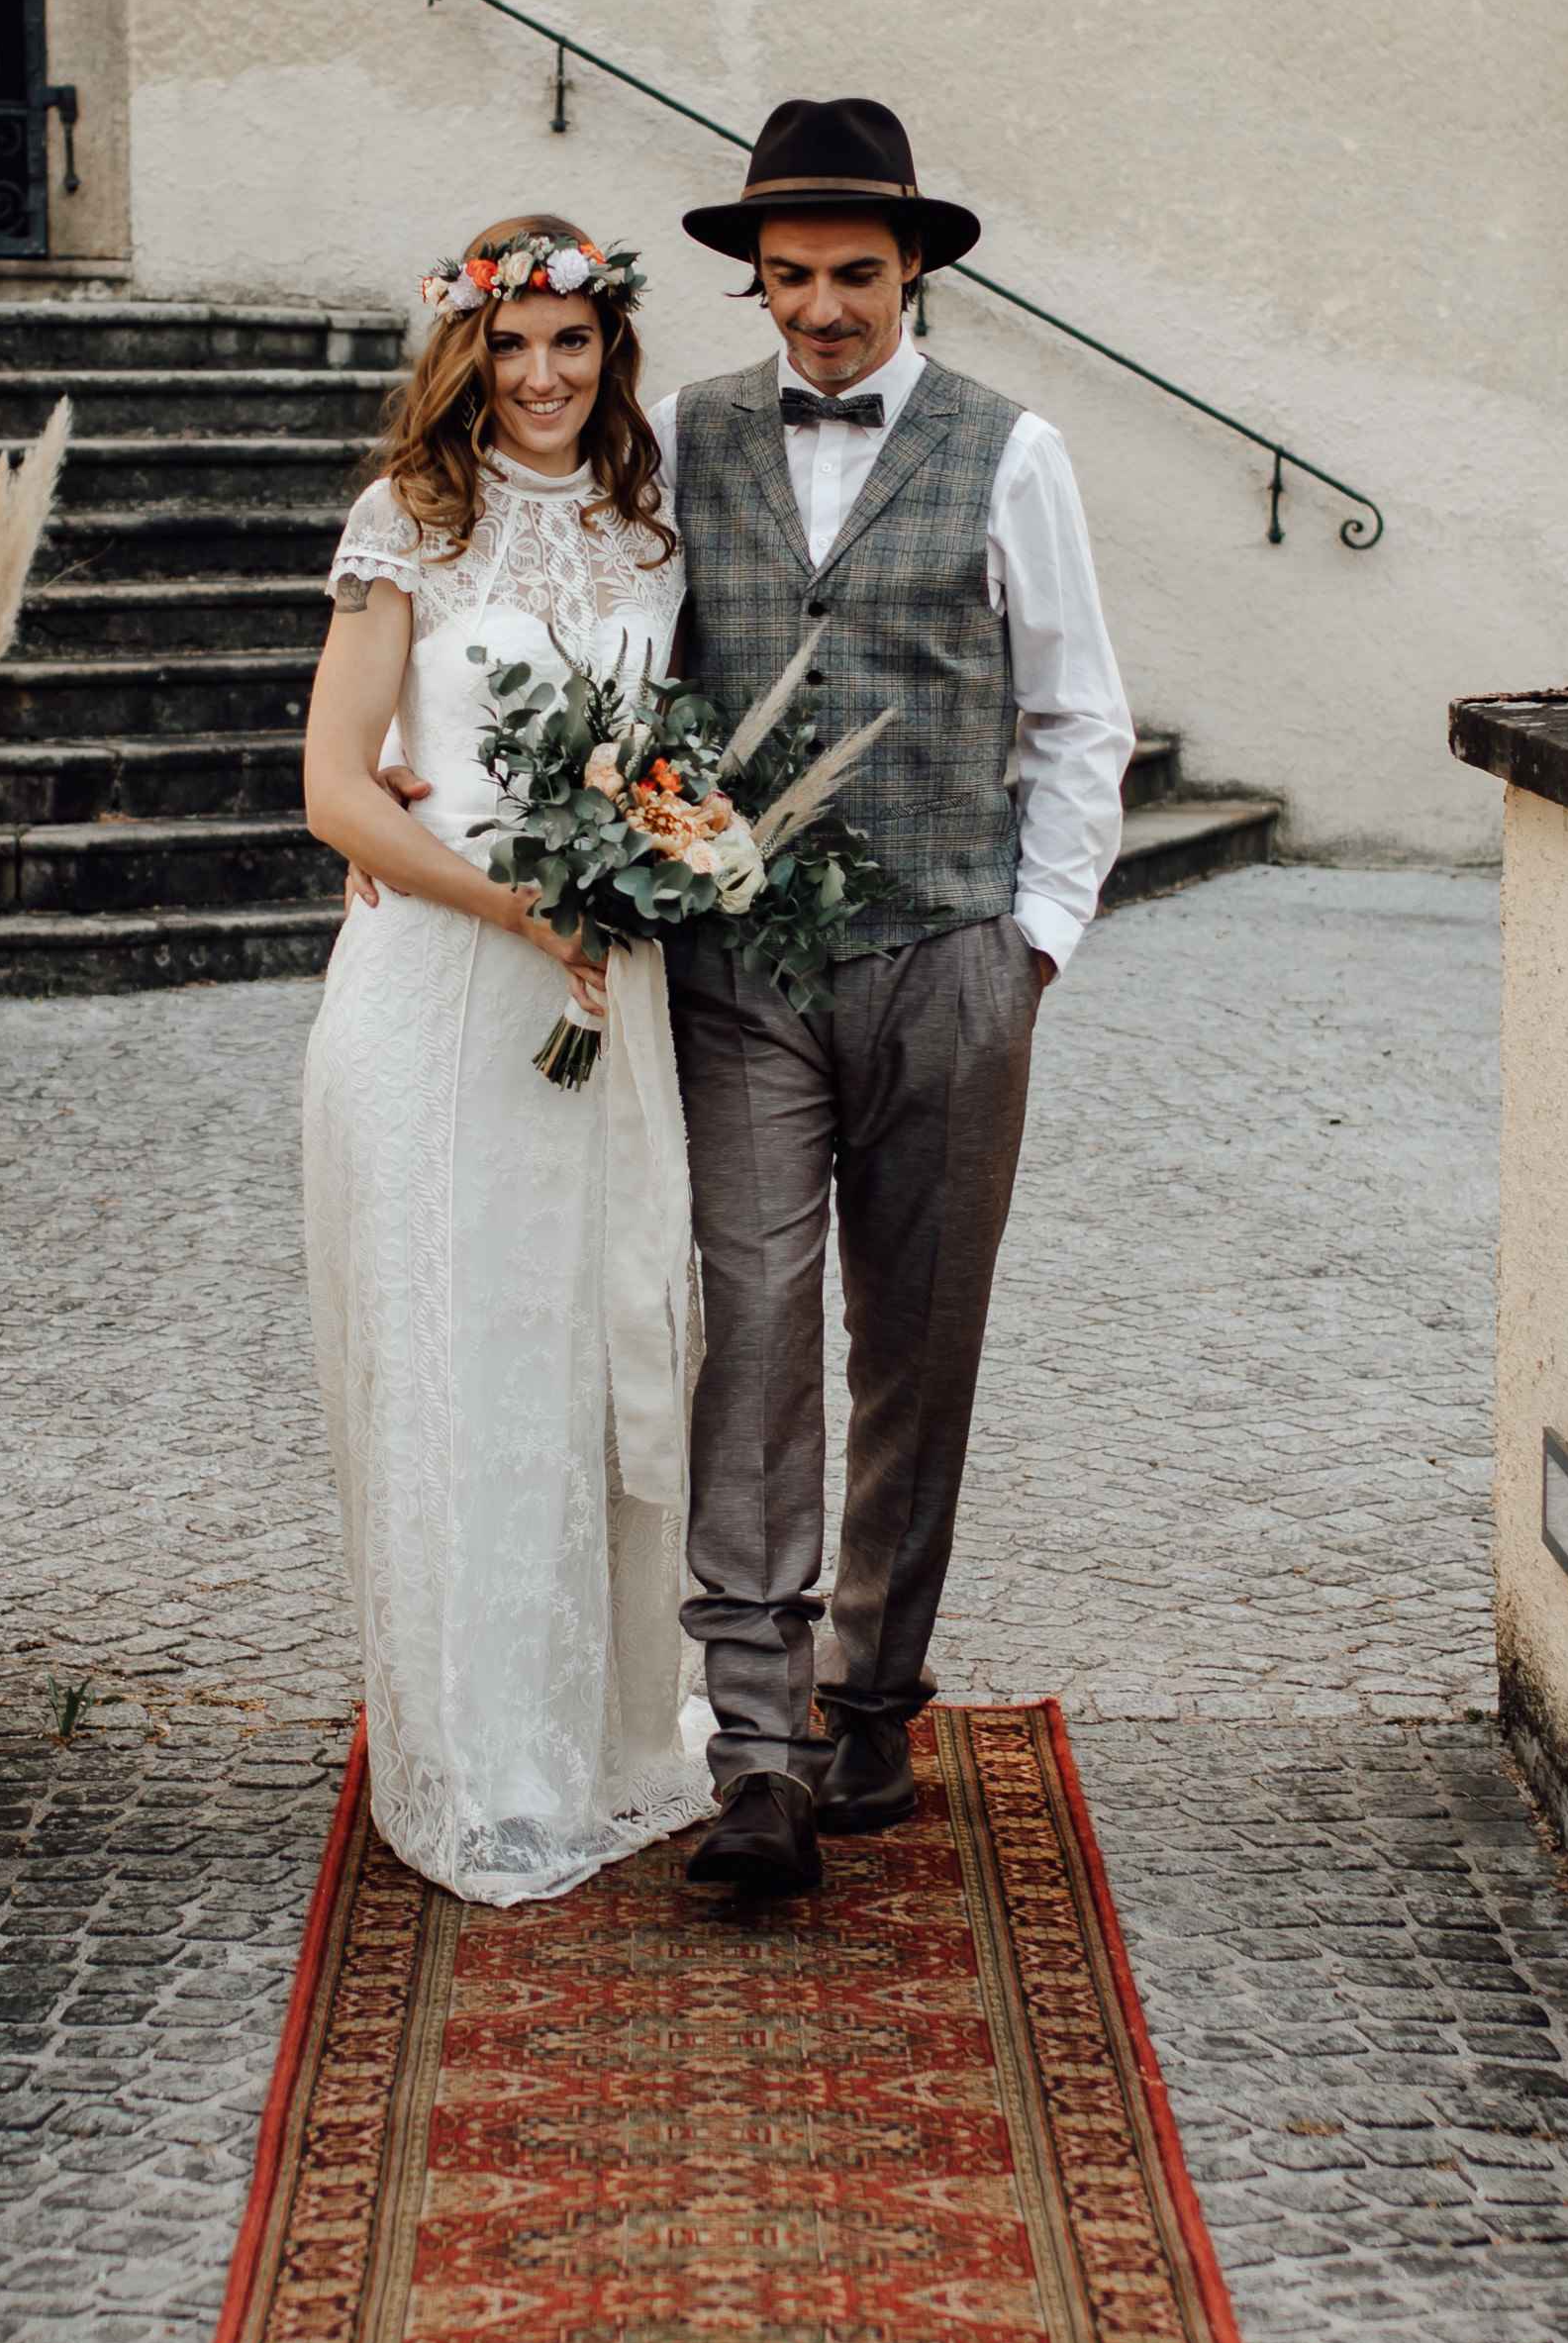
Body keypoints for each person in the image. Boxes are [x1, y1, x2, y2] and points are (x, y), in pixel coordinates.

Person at [658, 97, 1131, 1902]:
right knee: (758, 1331)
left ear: (912, 270)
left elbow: (1076, 711)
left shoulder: (1013, 451)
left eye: (853, 275)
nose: (821, 312)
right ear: (756, 281)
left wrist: (1030, 943)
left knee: (918, 1342)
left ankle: (874, 1689)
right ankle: (757, 1748)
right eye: (788, 280)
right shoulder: (683, 437)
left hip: (949, 952)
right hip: (742, 962)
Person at [299, 213, 707, 1902]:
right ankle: (475, 1765)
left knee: (591, 1345)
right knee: (459, 1352)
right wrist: (510, 905)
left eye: (574, 344)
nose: (543, 378)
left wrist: (667, 856)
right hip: (440, 988)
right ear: (467, 354)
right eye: (513, 346)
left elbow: (672, 755)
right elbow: (334, 785)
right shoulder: (408, 523)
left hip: (605, 995)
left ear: (610, 353)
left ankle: (606, 1734)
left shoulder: (648, 538)